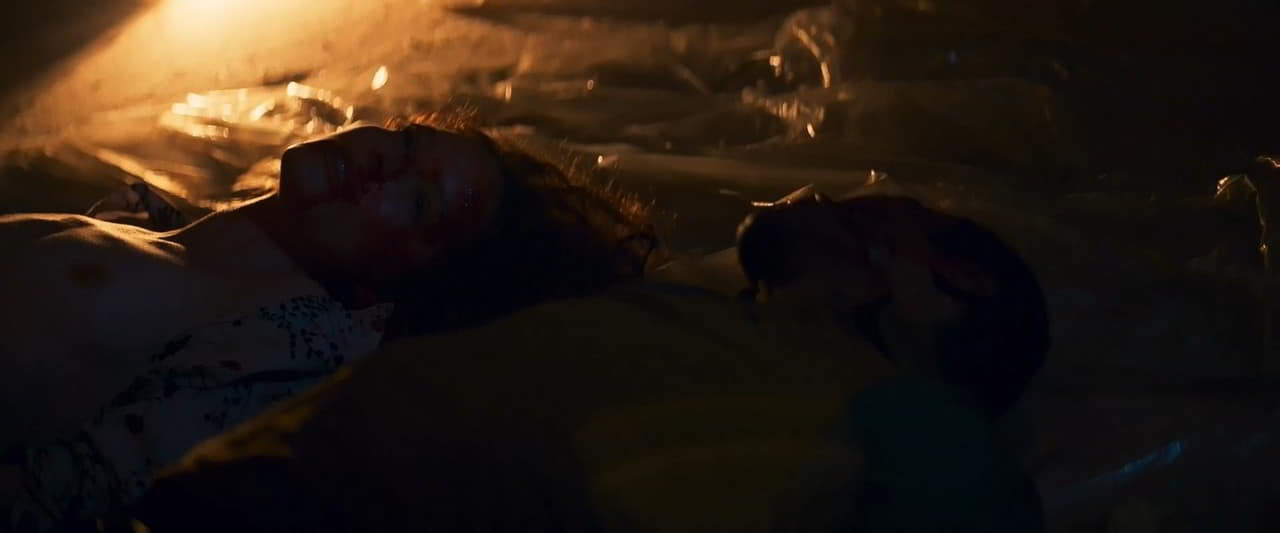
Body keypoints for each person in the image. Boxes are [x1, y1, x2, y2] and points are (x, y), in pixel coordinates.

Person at [131, 193, 1050, 532]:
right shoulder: (685, 319)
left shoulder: (922, 426)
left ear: (954, 277)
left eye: (891, 206)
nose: (832, 194)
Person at [0, 114, 656, 531]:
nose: (385, 164)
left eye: (419, 201)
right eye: (407, 141)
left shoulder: (277, 350)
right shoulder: (147, 224)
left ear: (407, 284)